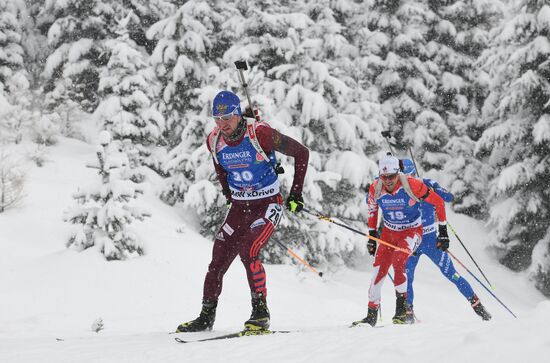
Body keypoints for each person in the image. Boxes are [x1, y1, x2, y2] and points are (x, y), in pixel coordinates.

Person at [176, 90, 309, 333]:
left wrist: (296, 194)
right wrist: (229, 196)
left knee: (249, 250)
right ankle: (206, 316)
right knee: (218, 257)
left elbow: (302, 153)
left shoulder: (260, 133)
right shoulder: (214, 140)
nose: (222, 124)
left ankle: (260, 313)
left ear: (238, 114)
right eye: (217, 118)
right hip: (240, 207)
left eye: (227, 118)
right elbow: (220, 169)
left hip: (268, 204)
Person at [353, 153, 448, 327]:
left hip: (412, 231)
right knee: (378, 272)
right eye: (384, 177)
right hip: (389, 233)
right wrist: (372, 237)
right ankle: (371, 316)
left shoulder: (411, 185)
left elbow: (439, 202)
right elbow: (373, 211)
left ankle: (401, 312)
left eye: (391, 176)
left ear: (398, 173)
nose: (388, 181)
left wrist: (443, 232)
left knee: (399, 261)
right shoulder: (376, 187)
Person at [401, 159, 491, 322]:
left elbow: (448, 197)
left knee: (452, 274)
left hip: (430, 241)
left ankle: (477, 306)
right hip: (411, 241)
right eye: (403, 179)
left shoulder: (425, 185)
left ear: (413, 175)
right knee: (406, 277)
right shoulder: (397, 189)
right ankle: (408, 313)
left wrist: (433, 189)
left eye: (409, 178)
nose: (407, 184)